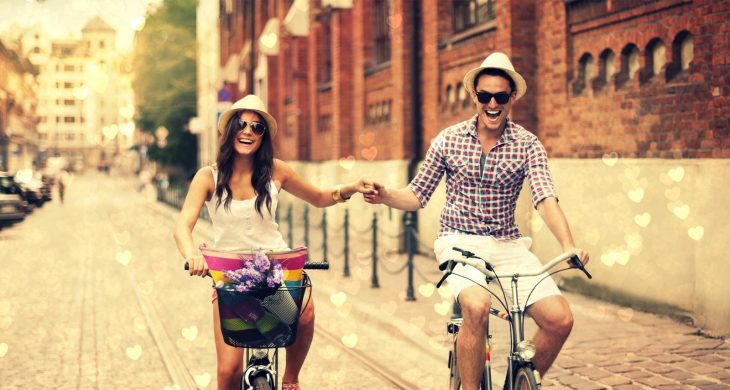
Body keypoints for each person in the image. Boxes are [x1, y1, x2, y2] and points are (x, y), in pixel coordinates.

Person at [362, 52, 589, 389]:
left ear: (512, 98)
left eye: (500, 96)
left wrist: (568, 244)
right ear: (475, 96)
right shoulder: (449, 140)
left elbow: (545, 198)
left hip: (508, 244)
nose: (492, 104)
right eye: (485, 96)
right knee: (477, 306)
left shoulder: (528, 145)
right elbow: (417, 195)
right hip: (459, 241)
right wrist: (386, 196)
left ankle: (517, 384)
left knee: (560, 320)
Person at [174, 94, 372, 390]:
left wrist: (350, 188)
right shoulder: (208, 177)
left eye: (257, 127)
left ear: (263, 136)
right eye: (242, 124)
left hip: (274, 272)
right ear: (229, 131)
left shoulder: (277, 171)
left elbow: (317, 197)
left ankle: (291, 379)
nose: (248, 131)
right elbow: (182, 226)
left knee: (305, 313)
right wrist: (193, 256)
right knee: (227, 372)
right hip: (230, 279)